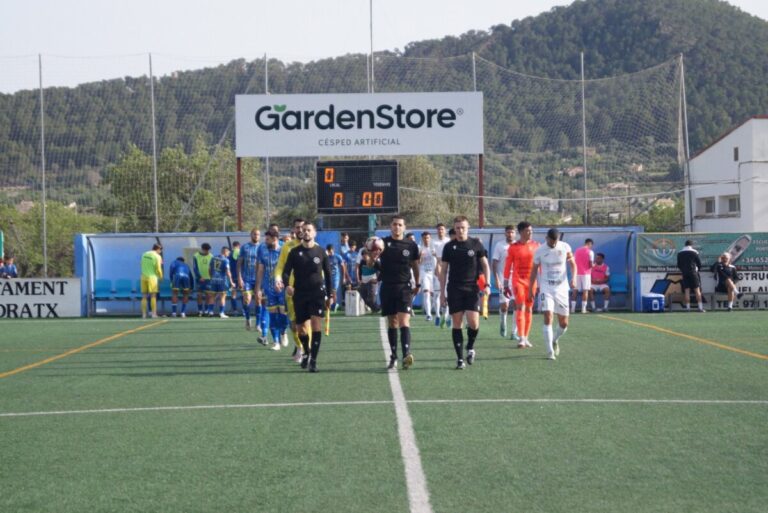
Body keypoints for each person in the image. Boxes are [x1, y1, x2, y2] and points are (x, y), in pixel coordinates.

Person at [439, 215, 491, 369]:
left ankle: (470, 347)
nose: (460, 230)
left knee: (474, 322)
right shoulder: (449, 247)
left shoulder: (475, 244)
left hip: (472, 288)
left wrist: (487, 284)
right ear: (454, 229)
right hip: (454, 288)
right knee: (457, 323)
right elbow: (443, 271)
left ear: (468, 228)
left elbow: (485, 265)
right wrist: (442, 293)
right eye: (457, 228)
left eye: (463, 227)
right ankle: (460, 359)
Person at [282, 223, 333, 372]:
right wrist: (287, 285)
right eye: (304, 230)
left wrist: (330, 294)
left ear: (314, 233)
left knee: (316, 326)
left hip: (317, 293)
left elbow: (328, 274)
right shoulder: (294, 252)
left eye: (309, 230)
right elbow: (286, 272)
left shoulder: (320, 251)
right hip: (300, 294)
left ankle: (314, 361)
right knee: (301, 330)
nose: (306, 232)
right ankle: (307, 352)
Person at [371, 215, 420, 370]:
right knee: (392, 322)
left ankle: (406, 354)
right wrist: (372, 257)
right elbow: (372, 264)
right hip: (387, 287)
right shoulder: (382, 243)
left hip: (404, 287)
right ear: (390, 226)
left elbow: (415, 265)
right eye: (394, 224)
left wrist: (417, 283)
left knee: (404, 321)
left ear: (404, 228)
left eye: (400, 225)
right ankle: (393, 356)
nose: (397, 227)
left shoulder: (411, 245)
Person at [529, 228, 577, 360]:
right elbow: (533, 271)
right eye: (551, 240)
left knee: (564, 323)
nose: (553, 243)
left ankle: (555, 340)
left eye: (555, 240)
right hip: (546, 288)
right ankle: (550, 352)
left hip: (561, 288)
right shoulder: (539, 250)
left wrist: (574, 278)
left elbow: (573, 264)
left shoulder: (565, 247)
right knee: (548, 316)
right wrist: (530, 289)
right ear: (547, 238)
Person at [503, 221, 540, 349]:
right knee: (521, 306)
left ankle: (526, 337)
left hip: (532, 282)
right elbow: (508, 265)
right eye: (527, 231)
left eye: (531, 230)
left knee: (529, 309)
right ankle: (521, 338)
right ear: (521, 232)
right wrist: (505, 283)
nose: (530, 233)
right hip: (518, 280)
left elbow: (539, 266)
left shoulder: (537, 246)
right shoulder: (513, 247)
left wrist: (541, 282)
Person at [274, 218, 307, 362]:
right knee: (294, 325)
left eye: (303, 227)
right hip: (291, 291)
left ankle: (307, 350)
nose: (300, 230)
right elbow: (280, 266)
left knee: (308, 323)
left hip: (309, 291)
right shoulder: (287, 247)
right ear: (293, 230)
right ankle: (300, 346)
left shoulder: (314, 246)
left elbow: (321, 271)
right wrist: (278, 279)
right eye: (297, 227)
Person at [257, 230, 289, 349]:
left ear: (275, 239)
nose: (265, 241)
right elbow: (260, 270)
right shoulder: (263, 251)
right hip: (269, 288)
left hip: (282, 288)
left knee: (283, 314)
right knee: (272, 315)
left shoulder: (283, 250)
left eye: (268, 239)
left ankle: (283, 332)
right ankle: (276, 342)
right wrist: (258, 288)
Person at [492, 225, 519, 340]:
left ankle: (514, 332)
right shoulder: (500, 245)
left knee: (516, 305)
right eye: (508, 232)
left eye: (512, 232)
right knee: (505, 306)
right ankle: (503, 323)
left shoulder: (519, 245)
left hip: (517, 280)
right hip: (504, 279)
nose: (510, 234)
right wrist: (497, 279)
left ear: (515, 233)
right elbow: (494, 263)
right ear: (505, 233)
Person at [238, 228, 262, 330]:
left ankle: (258, 323)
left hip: (259, 279)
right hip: (247, 278)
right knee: (247, 299)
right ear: (251, 235)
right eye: (254, 234)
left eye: (258, 235)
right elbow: (239, 264)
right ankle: (248, 319)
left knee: (258, 300)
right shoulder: (245, 247)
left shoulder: (262, 247)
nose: (256, 236)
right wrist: (239, 278)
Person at [431, 222, 451, 327]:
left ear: (445, 230)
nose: (440, 231)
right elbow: (435, 257)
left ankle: (446, 315)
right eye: (439, 229)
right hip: (437, 271)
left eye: (442, 229)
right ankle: (438, 315)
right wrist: (437, 271)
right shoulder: (433, 242)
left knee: (447, 295)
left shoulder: (448, 242)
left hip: (447, 272)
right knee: (437, 294)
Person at [677, 239, 705, 312]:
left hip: (684, 273)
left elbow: (679, 265)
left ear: (685, 245)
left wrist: (683, 270)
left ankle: (688, 308)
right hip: (693, 272)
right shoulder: (694, 252)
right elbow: (699, 264)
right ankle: (700, 308)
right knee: (697, 290)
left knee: (687, 291)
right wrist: (697, 269)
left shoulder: (680, 253)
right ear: (691, 245)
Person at [140, 243, 163, 319]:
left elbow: (141, 264)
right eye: (160, 251)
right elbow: (159, 269)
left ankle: (144, 314)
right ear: (158, 249)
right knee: (153, 296)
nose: (160, 252)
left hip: (143, 276)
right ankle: (154, 314)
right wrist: (161, 277)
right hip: (152, 277)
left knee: (144, 296)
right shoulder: (157, 256)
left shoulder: (144, 254)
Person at [418, 231, 438, 321]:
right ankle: (428, 314)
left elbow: (441, 260)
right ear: (422, 239)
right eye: (424, 238)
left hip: (434, 272)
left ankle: (437, 313)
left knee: (436, 294)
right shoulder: (419, 248)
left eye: (428, 238)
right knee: (426, 293)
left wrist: (436, 255)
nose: (426, 239)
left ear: (430, 238)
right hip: (424, 272)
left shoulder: (434, 248)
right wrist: (420, 256)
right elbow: (418, 263)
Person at [209, 246, 233, 318]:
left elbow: (209, 269)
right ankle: (221, 313)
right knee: (223, 296)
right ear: (225, 251)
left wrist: (211, 277)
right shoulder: (226, 260)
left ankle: (210, 312)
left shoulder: (213, 258)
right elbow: (227, 271)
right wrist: (231, 282)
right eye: (228, 252)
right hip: (222, 281)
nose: (229, 254)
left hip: (213, 280)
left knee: (212, 296)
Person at [572, 239, 594, 313]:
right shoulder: (590, 252)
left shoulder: (577, 250)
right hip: (586, 274)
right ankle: (583, 309)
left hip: (577, 273)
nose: (591, 247)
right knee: (585, 290)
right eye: (591, 245)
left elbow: (574, 262)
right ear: (589, 244)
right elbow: (591, 265)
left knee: (575, 290)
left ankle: (572, 309)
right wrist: (594, 265)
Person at [193, 243, 214, 316]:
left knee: (208, 295)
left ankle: (207, 310)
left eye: (208, 250)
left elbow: (212, 268)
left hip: (208, 279)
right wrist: (199, 277)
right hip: (199, 279)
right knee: (199, 295)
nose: (207, 251)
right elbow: (195, 268)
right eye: (205, 250)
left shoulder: (211, 256)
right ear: (202, 249)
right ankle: (200, 311)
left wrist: (212, 277)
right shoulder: (196, 256)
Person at [358, 248, 380, 312]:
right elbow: (360, 271)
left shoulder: (375, 262)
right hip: (364, 282)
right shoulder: (362, 262)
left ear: (369, 255)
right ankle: (375, 308)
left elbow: (381, 271)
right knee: (363, 296)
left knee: (371, 299)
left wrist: (377, 280)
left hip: (371, 282)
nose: (364, 258)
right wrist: (360, 279)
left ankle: (377, 308)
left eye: (365, 256)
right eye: (363, 256)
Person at [326, 244, 346, 311]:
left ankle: (335, 304)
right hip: (328, 277)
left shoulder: (338, 257)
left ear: (333, 250)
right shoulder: (326, 258)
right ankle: (332, 305)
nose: (330, 252)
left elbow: (343, 267)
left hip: (336, 277)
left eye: (331, 251)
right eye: (329, 251)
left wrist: (343, 277)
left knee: (334, 291)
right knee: (329, 292)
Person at [228, 241, 241, 315]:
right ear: (238, 246)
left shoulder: (229, 253)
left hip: (232, 276)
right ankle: (244, 310)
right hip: (239, 275)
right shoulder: (237, 251)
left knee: (233, 293)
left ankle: (235, 310)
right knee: (244, 293)